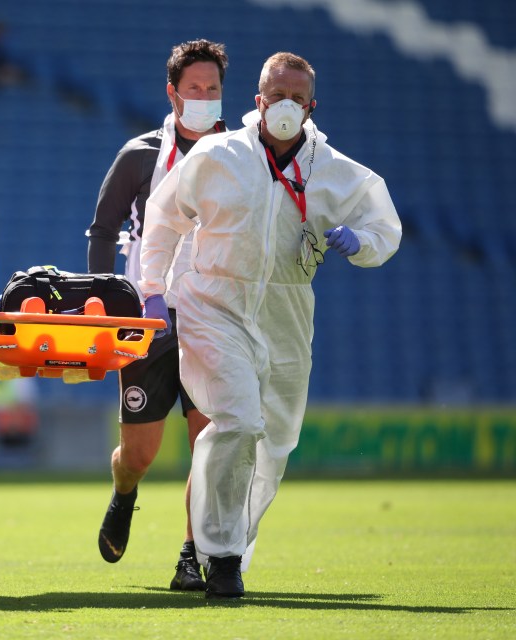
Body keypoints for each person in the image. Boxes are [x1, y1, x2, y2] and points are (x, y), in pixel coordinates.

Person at [139, 52, 402, 598]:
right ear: (257, 101)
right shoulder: (218, 155)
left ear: (311, 107)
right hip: (213, 303)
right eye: (276, 95)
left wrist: (363, 245)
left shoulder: (332, 170)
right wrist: (153, 290)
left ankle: (225, 545)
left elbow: (384, 224)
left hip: (287, 314)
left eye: (296, 98)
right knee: (236, 420)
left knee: (275, 444)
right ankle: (221, 557)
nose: (286, 106)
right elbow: (164, 217)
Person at [86, 39, 228, 592]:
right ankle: (124, 494)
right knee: (140, 454)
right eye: (194, 88)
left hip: (216, 317)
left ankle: (192, 554)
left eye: (213, 89)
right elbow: (103, 229)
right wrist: (103, 302)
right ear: (173, 93)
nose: (204, 97)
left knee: (209, 441)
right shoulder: (140, 154)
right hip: (150, 320)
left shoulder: (241, 156)